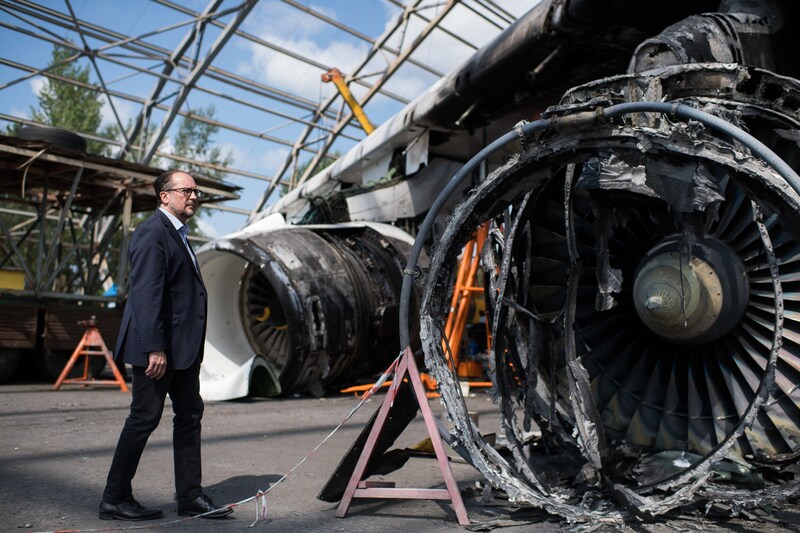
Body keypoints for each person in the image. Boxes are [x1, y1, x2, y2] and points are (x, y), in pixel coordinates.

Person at [99, 170, 232, 521]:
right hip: (156, 349)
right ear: (164, 196)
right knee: (144, 418)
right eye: (186, 190)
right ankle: (114, 497)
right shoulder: (151, 233)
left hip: (181, 350)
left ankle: (189, 496)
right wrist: (154, 348)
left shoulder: (178, 235)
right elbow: (146, 295)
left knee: (189, 415)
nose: (194, 196)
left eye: (195, 191)